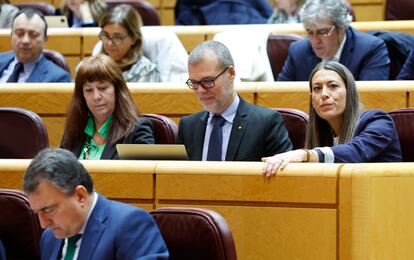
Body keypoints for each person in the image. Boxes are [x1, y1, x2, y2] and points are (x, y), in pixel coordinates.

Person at [23, 148, 169, 259]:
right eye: (37, 213)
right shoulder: (49, 238)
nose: (43, 224)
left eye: (48, 210)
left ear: (80, 196)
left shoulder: (130, 225)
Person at [263, 61, 402, 176]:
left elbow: (355, 152)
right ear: (312, 99)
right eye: (317, 88)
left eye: (333, 86)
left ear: (350, 92)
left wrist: (305, 155)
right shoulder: (321, 135)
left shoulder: (378, 121)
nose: (324, 94)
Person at [178, 40, 292, 161]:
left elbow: (285, 177)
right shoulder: (188, 126)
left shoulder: (266, 123)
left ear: (231, 73)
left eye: (207, 81)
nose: (200, 90)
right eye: (194, 83)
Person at [61, 54, 155, 159]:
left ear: (117, 90)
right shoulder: (74, 129)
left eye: (103, 88)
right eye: (89, 90)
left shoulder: (136, 130)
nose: (96, 96)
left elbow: (145, 174)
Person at [277, 0, 389, 81]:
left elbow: (370, 100)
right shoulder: (298, 51)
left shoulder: (370, 49)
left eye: (322, 32)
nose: (315, 40)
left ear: (341, 28)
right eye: (310, 33)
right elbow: (279, 97)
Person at [0, 9, 71, 83]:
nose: (25, 41)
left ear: (45, 39)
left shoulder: (58, 78)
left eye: (34, 35)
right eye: (20, 33)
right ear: (11, 36)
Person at [98, 4, 160, 82]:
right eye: (105, 35)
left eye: (117, 37)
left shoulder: (146, 71)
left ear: (134, 38)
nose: (109, 43)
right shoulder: (95, 66)